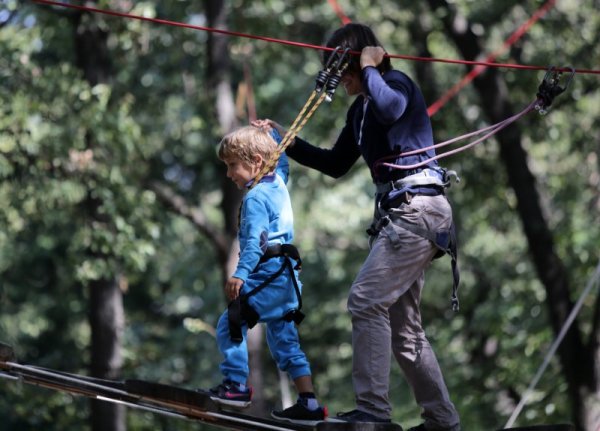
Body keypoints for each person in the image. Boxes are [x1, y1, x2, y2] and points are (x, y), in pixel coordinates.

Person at [254, 23, 461, 431]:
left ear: (362, 64)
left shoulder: (395, 85)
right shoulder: (361, 110)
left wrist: (370, 67)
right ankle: (441, 421)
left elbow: (392, 109)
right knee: (404, 329)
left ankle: (373, 413)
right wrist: (287, 139)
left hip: (418, 209)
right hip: (406, 214)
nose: (344, 82)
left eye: (347, 73)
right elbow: (335, 164)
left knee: (365, 300)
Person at [203, 125, 327, 426]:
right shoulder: (278, 182)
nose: (230, 173)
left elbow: (257, 240)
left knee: (232, 320)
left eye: (233, 165)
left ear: (257, 162)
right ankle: (309, 401)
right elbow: (280, 160)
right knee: (284, 340)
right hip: (288, 279)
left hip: (270, 275)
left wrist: (240, 274)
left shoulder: (256, 197)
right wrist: (273, 133)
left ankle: (235, 387)